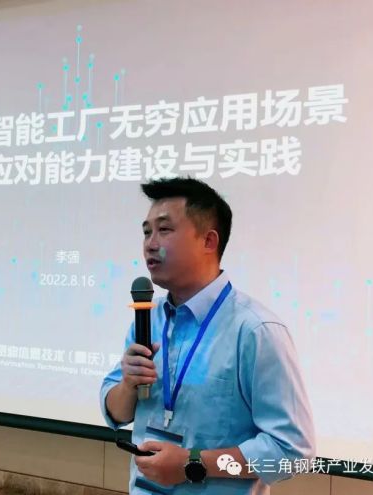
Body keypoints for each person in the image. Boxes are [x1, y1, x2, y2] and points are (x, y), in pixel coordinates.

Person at [100, 177, 316, 494]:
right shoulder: (147, 319)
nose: (150, 243)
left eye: (164, 229)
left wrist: (193, 464)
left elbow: (293, 453)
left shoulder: (256, 331)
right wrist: (128, 385)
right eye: (146, 232)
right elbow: (116, 413)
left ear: (209, 241)